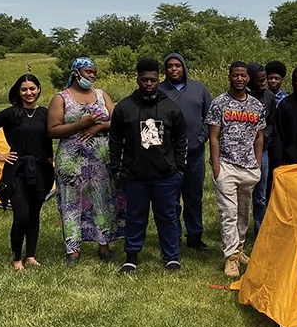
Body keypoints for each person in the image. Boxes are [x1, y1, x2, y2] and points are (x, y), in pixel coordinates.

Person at [109, 58, 188, 274]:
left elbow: (181, 139)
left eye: (153, 79)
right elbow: (115, 138)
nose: (149, 83)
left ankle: (171, 256)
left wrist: (179, 167)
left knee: (168, 215)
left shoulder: (170, 107)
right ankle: (131, 256)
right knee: (135, 215)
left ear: (158, 79)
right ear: (138, 80)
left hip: (166, 175)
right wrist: (116, 166)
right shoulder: (125, 107)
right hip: (134, 175)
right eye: (144, 80)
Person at [47, 56, 123, 266]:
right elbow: (53, 130)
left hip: (100, 158)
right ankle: (73, 250)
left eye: (94, 72)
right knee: (71, 201)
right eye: (88, 72)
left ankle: (104, 246)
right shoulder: (61, 98)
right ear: (76, 73)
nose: (92, 76)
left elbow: (117, 121)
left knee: (102, 199)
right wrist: (82, 123)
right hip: (71, 159)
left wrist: (99, 127)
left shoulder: (101, 95)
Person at [0, 75, 54, 271]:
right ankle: (16, 258)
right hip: (17, 169)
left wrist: (51, 162)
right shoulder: (10, 114)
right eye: (24, 89)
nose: (28, 93)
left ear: (39, 90)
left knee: (35, 214)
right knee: (21, 215)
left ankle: (31, 256)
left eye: (32, 88)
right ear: (18, 92)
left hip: (40, 170)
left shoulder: (46, 114)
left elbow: (48, 143)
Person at [206, 62, 266, 278]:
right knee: (228, 213)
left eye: (243, 76)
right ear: (230, 77)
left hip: (249, 168)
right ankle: (230, 258)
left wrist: (258, 163)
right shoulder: (219, 103)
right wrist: (216, 166)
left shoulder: (256, 106)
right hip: (227, 166)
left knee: (243, 212)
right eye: (235, 75)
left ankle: (239, 249)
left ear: (248, 78)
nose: (239, 79)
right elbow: (213, 137)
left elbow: (259, 136)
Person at [160, 52, 212, 251]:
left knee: (193, 196)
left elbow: (211, 117)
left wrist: (201, 139)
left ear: (184, 67)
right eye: (170, 66)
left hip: (195, 152)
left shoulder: (199, 89)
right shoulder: (160, 90)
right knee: (171, 198)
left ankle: (195, 236)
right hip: (168, 154)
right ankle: (174, 237)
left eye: (177, 65)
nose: (174, 69)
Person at [246, 62, 276, 236]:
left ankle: (260, 229)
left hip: (262, 150)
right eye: (259, 80)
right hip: (241, 151)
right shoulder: (242, 95)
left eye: (264, 80)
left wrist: (264, 137)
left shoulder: (269, 97)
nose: (263, 83)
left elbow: (272, 122)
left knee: (261, 194)